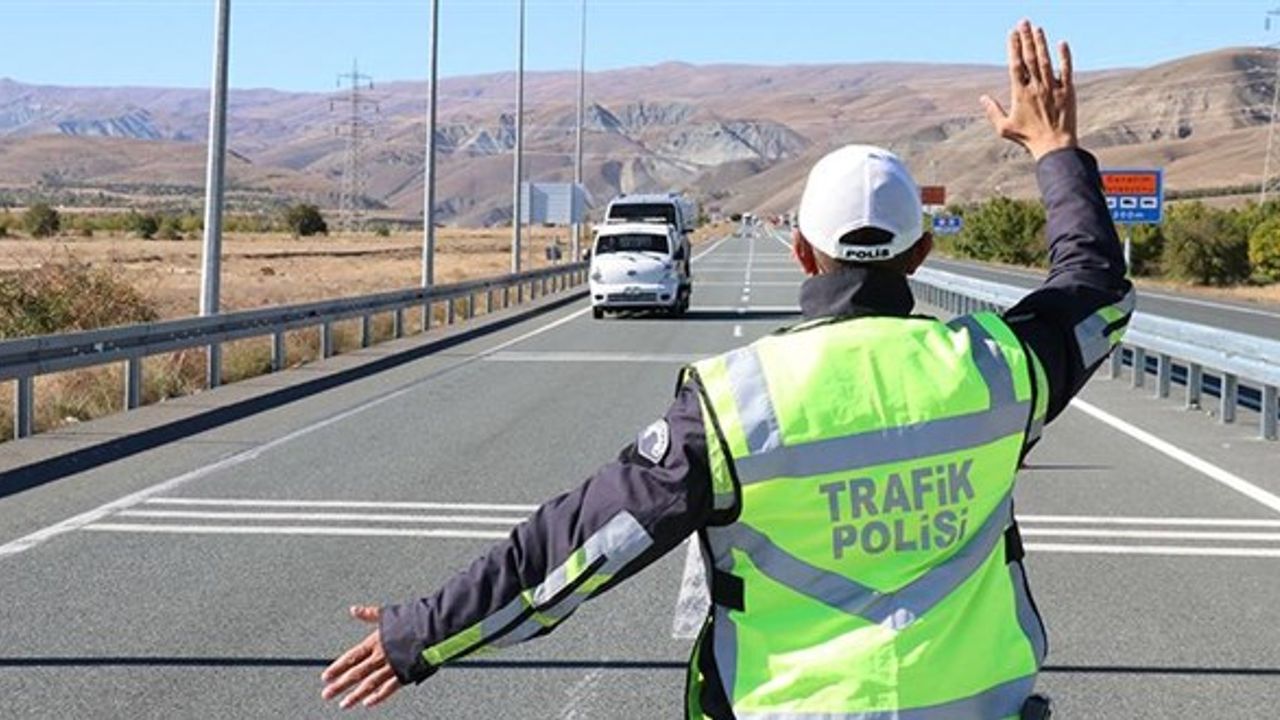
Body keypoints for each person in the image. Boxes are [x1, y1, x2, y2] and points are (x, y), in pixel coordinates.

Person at [322, 20, 1132, 719]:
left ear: (801, 251)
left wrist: (422, 633)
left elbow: (572, 549)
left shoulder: (737, 404)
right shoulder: (999, 368)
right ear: (920, 253)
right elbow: (1094, 287)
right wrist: (1055, 150)